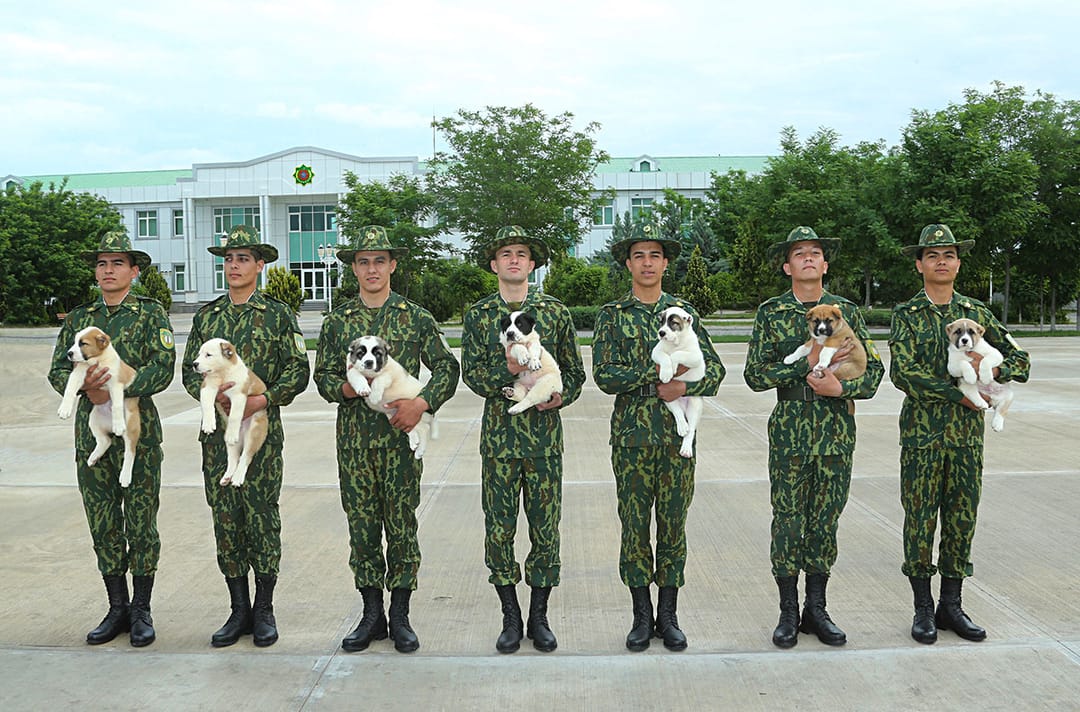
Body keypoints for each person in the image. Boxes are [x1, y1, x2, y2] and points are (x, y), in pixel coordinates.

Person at [313, 225, 459, 654]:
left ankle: (400, 614)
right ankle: (371, 613)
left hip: (400, 443)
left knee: (401, 527)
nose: (372, 269)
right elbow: (322, 378)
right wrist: (347, 386)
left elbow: (447, 367)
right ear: (353, 268)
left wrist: (423, 403)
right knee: (361, 529)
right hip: (355, 445)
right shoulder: (338, 321)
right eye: (363, 261)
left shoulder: (415, 317)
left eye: (380, 260)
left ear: (393, 265)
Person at [743, 226, 884, 648]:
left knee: (825, 521)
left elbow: (873, 371)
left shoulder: (846, 311)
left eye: (815, 253)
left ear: (825, 264)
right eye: (798, 253)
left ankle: (816, 610)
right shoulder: (772, 312)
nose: (807, 258)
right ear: (788, 266)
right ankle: (788, 612)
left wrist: (841, 388)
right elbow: (754, 374)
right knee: (787, 520)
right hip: (790, 428)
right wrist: (801, 368)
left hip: (836, 430)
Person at [889, 224, 1029, 644]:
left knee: (961, 518)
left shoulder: (976, 313)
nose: (942, 261)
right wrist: (957, 395)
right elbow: (903, 373)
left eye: (948, 254)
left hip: (967, 439)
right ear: (919, 265)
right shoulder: (907, 315)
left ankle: (952, 604)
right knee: (919, 521)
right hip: (922, 436)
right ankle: (922, 608)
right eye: (932, 255)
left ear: (958, 263)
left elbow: (1019, 359)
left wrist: (994, 371)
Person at [592, 222, 725, 652]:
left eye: (655, 255)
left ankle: (668, 615)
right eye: (639, 256)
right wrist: (653, 374)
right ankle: (640, 616)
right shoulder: (612, 315)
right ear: (628, 264)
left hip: (676, 439)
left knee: (672, 527)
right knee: (633, 529)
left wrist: (683, 387)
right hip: (631, 439)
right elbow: (605, 376)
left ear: (666, 263)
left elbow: (716, 369)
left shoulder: (684, 314)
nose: (647, 263)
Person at [181, 224, 310, 648]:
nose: (234, 265)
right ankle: (238, 609)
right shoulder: (207, 316)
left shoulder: (277, 314)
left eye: (243, 258)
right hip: (218, 435)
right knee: (226, 518)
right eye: (229, 259)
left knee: (261, 516)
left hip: (259, 433)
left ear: (259, 265)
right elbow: (188, 370)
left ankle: (265, 609)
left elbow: (298, 369)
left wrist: (265, 398)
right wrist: (210, 396)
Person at [460, 225, 585, 654]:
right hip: (499, 441)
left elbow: (575, 371)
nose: (514, 259)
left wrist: (561, 395)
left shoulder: (555, 313)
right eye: (505, 253)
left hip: (545, 440)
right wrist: (510, 373)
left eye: (522, 254)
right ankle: (510, 616)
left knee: (546, 530)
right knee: (498, 530)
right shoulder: (479, 315)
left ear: (532, 264)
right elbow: (472, 373)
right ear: (494, 264)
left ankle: (539, 615)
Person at [48, 228, 175, 647]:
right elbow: (56, 371)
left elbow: (163, 367)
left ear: (134, 271)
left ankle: (141, 610)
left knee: (141, 524)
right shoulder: (81, 318)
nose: (108, 269)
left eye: (118, 262)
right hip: (94, 436)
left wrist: (121, 387)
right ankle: (116, 607)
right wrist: (89, 390)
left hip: (139, 434)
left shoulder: (150, 313)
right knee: (102, 523)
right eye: (102, 263)